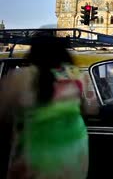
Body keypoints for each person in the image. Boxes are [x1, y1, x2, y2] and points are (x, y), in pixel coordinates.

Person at [0, 35, 88, 179]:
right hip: (73, 154)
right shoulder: (78, 76)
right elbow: (90, 109)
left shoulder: (21, 77)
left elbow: (3, 113)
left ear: (33, 53)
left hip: (34, 155)